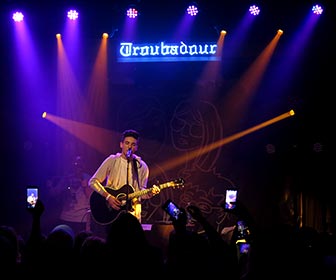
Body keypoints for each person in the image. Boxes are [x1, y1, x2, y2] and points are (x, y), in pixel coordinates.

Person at [88, 129, 160, 236]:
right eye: (127, 143)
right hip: (112, 212)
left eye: (133, 144)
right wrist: (108, 197)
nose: (129, 146)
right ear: (121, 144)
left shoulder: (142, 166)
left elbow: (141, 191)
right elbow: (93, 182)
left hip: (132, 213)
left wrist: (149, 193)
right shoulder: (112, 160)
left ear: (136, 147)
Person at [50, 155, 92, 235]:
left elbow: (90, 196)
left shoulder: (89, 178)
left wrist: (84, 184)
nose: (77, 166)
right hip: (66, 216)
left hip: (81, 218)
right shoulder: (67, 178)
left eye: (80, 164)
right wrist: (49, 186)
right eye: (75, 164)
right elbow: (55, 192)